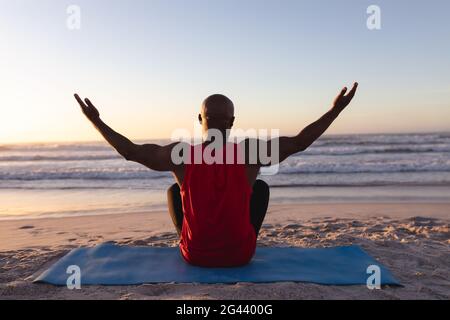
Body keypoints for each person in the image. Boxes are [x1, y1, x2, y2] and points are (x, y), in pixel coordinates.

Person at [74, 82, 358, 267]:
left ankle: (189, 238)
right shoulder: (251, 151)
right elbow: (299, 142)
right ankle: (242, 238)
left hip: (194, 256)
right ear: (232, 122)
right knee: (259, 188)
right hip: (240, 256)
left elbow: (132, 152)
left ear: (200, 119)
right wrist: (336, 110)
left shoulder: (182, 154)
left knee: (174, 191)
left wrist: (96, 121)